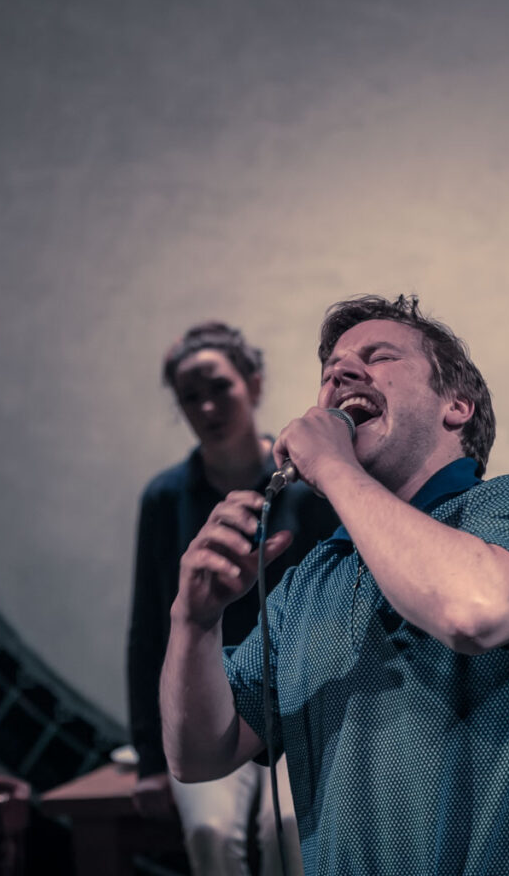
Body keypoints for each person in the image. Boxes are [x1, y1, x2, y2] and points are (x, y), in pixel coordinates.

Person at [161, 295, 509, 876]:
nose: (341, 373)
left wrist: (333, 467)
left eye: (378, 356)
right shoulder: (311, 581)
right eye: (330, 369)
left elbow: (472, 611)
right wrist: (195, 622)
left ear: (456, 406)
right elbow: (200, 754)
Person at [126, 321, 338, 876]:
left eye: (219, 387)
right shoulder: (165, 498)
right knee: (207, 832)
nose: (207, 407)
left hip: (298, 702)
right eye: (190, 397)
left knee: (290, 829)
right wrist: (151, 758)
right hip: (207, 700)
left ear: (254, 384)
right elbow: (151, 627)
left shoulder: (311, 488)